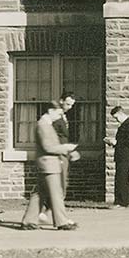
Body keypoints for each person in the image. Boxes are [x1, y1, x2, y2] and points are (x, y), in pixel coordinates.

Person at [20, 95, 79, 230]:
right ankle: (62, 222)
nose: (59, 116)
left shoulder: (45, 124)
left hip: (46, 164)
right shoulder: (43, 125)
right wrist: (66, 148)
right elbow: (48, 147)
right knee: (56, 193)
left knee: (39, 194)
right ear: (50, 111)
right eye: (58, 113)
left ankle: (28, 221)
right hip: (49, 165)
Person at [39, 93, 79, 223]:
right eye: (67, 104)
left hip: (63, 153)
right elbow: (52, 140)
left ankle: (44, 213)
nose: (70, 107)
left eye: (72, 105)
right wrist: (64, 149)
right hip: (57, 154)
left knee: (59, 186)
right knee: (59, 187)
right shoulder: (53, 120)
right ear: (61, 101)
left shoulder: (64, 116)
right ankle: (52, 214)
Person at [105, 105, 129, 207]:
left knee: (121, 178)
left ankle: (122, 202)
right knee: (123, 178)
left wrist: (116, 142)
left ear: (121, 114)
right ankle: (126, 202)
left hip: (125, 156)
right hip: (121, 155)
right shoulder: (123, 125)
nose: (116, 120)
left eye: (116, 117)